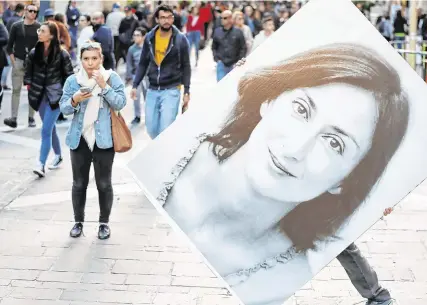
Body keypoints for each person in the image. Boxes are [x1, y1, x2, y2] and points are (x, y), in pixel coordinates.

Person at [156, 43, 410, 305]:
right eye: (301, 109)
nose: (296, 149)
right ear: (270, 98)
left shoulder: (281, 280)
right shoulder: (167, 157)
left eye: (334, 143)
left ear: (347, 180)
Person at [59, 41, 127, 240]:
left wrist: (105, 87)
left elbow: (121, 102)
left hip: (103, 140)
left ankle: (104, 223)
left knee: (104, 184)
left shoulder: (111, 78)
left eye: (94, 59)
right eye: (86, 59)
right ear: (81, 60)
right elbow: (63, 108)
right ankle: (78, 222)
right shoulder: (73, 81)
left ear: (101, 59)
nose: (90, 63)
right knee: (79, 184)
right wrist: (75, 100)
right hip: (79, 139)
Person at [130, 4, 191, 140]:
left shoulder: (181, 39)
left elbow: (186, 66)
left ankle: (165, 156)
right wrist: (135, 85)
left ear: (173, 19)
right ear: (157, 19)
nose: (166, 21)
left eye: (169, 17)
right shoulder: (150, 38)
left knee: (166, 129)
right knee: (151, 129)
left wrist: (187, 90)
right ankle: (162, 148)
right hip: (152, 89)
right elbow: (143, 63)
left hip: (171, 88)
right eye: (163, 17)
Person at [24, 22, 74, 177]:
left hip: (55, 97)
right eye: (39, 30)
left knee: (45, 130)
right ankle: (58, 156)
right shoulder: (34, 52)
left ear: (51, 35)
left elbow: (69, 76)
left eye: (43, 31)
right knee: (50, 128)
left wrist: (66, 96)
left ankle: (41, 164)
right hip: (39, 96)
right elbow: (28, 72)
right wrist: (29, 85)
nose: (39, 32)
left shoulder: (62, 54)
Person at [4, 4, 40, 129]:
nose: (33, 13)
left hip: (33, 64)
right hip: (19, 61)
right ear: (25, 11)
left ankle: (31, 118)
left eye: (35, 11)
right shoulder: (16, 26)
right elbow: (9, 46)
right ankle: (13, 118)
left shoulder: (39, 27)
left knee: (33, 91)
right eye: (30, 10)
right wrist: (14, 62)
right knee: (16, 90)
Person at [211, 10, 246, 81]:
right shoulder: (217, 31)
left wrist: (239, 61)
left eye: (224, 18)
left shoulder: (238, 32)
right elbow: (214, 46)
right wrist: (216, 59)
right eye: (221, 18)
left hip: (234, 64)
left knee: (233, 87)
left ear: (230, 19)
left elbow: (243, 47)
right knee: (221, 86)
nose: (221, 20)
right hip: (221, 64)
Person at [126, 27, 148, 124]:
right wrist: (129, 77)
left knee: (148, 97)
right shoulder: (131, 49)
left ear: (144, 37)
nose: (135, 37)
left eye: (138, 35)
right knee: (136, 97)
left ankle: (150, 116)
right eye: (134, 35)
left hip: (147, 76)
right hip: (136, 76)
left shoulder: (148, 47)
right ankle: (137, 116)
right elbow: (129, 64)